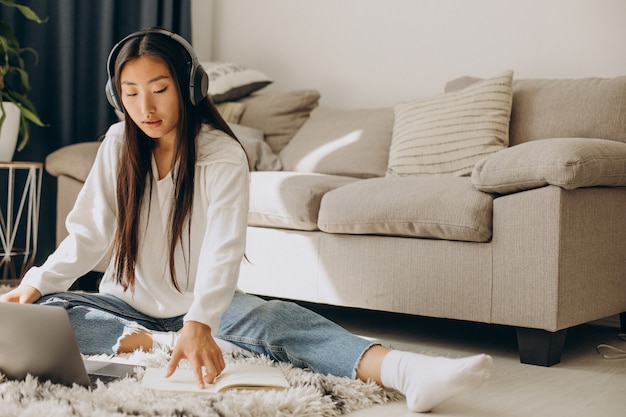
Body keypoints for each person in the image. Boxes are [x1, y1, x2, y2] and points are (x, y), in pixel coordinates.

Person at [0, 28, 493, 413]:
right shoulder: (116, 145)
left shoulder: (221, 155)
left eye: (158, 89)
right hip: (123, 305)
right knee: (46, 312)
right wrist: (37, 284)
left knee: (279, 320)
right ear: (116, 96)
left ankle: (408, 371)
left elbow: (221, 248)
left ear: (189, 87)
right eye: (130, 94)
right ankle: (166, 343)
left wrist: (200, 321)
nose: (144, 108)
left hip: (207, 306)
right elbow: (89, 234)